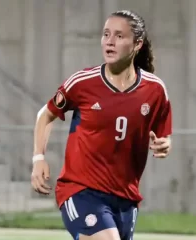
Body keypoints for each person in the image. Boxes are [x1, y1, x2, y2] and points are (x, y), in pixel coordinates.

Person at [31, 10, 172, 240]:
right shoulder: (83, 83)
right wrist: (38, 158)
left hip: (125, 199)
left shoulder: (155, 90)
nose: (110, 41)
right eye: (106, 34)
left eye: (119, 36)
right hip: (81, 191)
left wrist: (164, 145)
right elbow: (45, 115)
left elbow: (164, 137)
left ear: (137, 44)